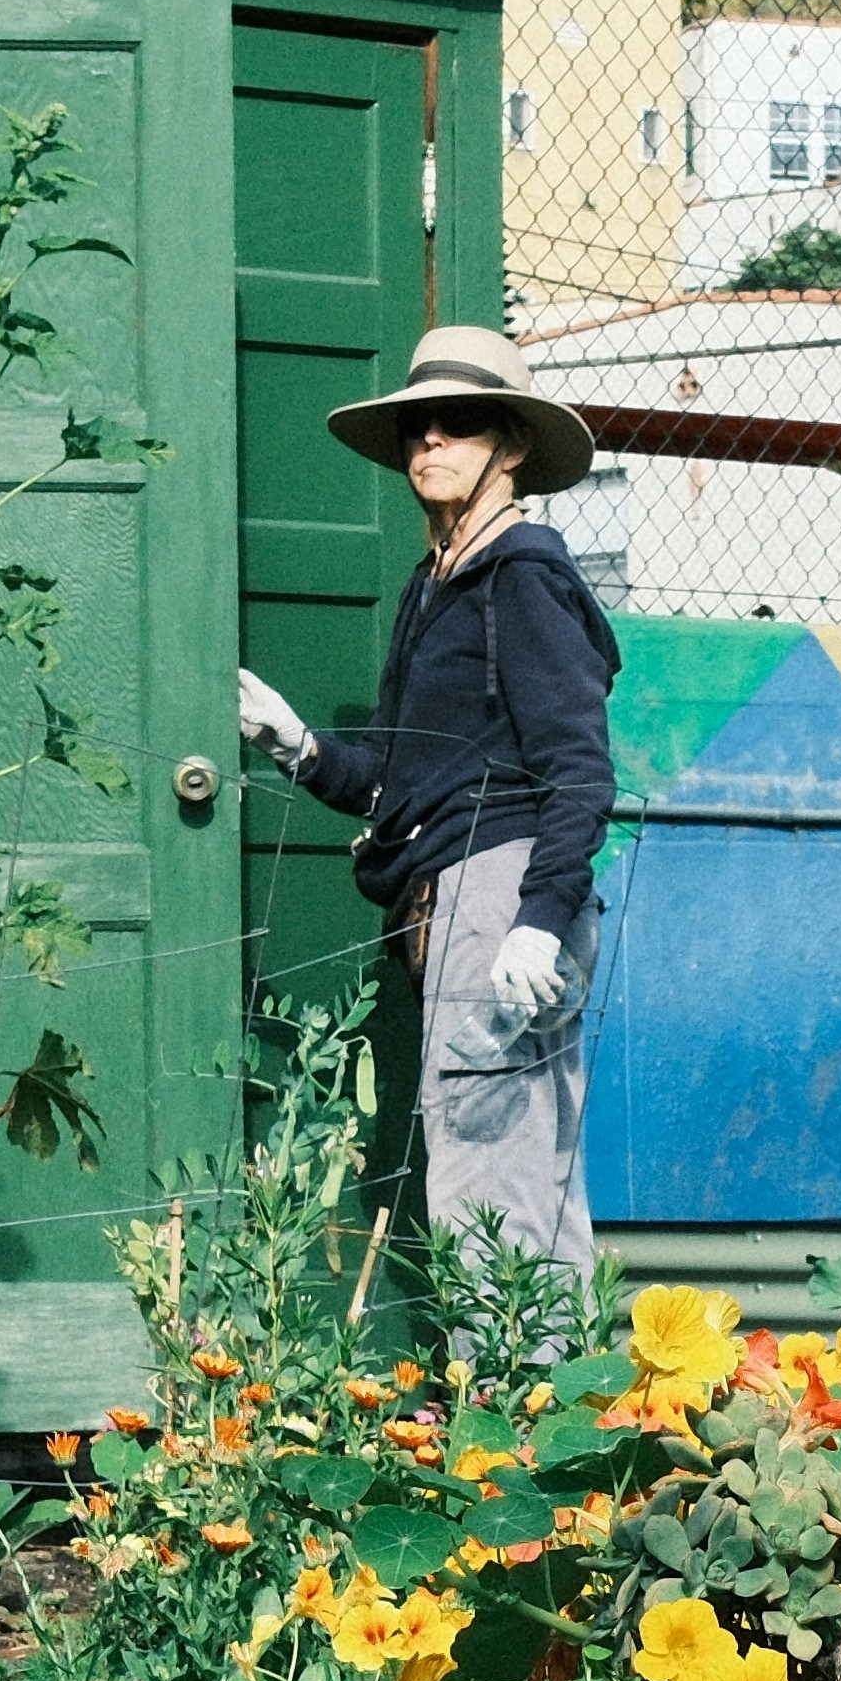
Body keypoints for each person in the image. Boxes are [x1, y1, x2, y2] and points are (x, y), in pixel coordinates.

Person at [241, 324, 619, 1280]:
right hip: (456, 894)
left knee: (491, 1182)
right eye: (417, 429)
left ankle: (502, 1419)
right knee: (526, 1178)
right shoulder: (438, 583)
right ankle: (557, 1410)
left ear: (514, 445)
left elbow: (578, 770)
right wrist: (300, 745)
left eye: (459, 426)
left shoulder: (521, 577)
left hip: (502, 894)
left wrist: (538, 920)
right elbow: (400, 783)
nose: (430, 445)